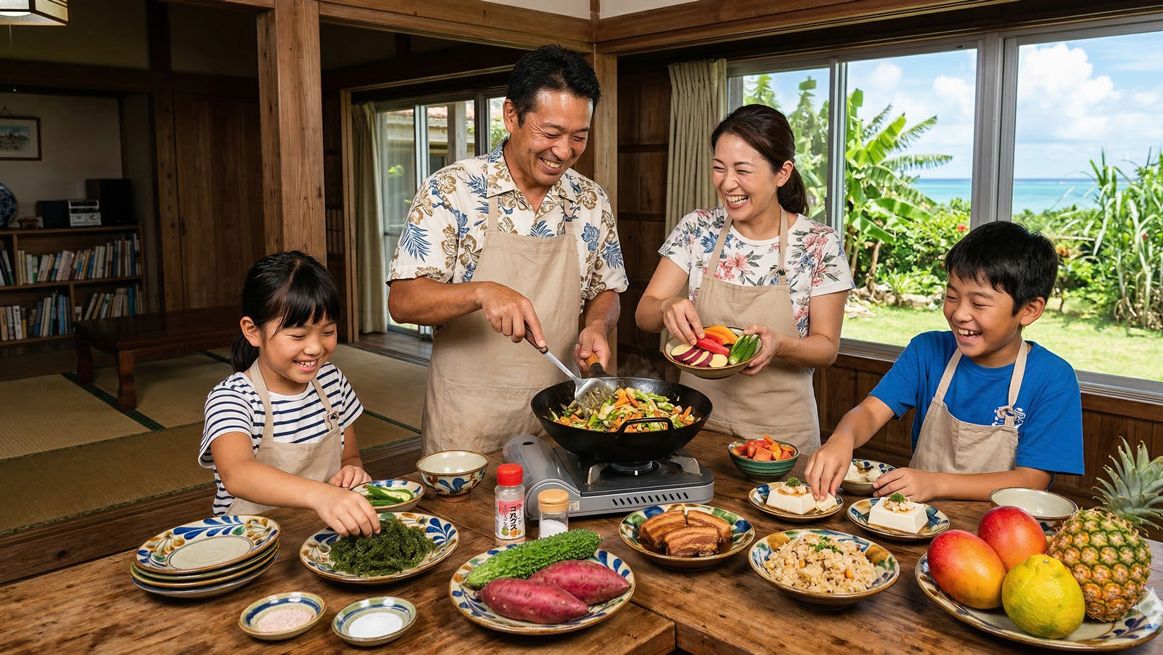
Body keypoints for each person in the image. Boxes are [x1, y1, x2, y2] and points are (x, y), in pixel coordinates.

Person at [387, 45, 628, 454]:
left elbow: (607, 289)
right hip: (469, 425)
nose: (564, 151)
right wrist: (482, 292)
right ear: (511, 116)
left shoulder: (591, 200)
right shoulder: (452, 189)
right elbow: (403, 301)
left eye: (579, 137)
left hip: (565, 419)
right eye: (550, 134)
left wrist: (597, 325)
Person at [805, 221, 1085, 502]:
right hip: (915, 521)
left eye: (978, 304)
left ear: (1029, 310)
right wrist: (843, 439)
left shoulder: (1053, 379)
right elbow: (869, 412)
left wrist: (936, 484)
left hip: (1005, 533)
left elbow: (1032, 480)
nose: (959, 313)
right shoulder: (927, 350)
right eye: (952, 296)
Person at [635, 104, 852, 452]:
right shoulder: (697, 228)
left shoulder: (819, 243)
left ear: (782, 173)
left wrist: (780, 344)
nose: (727, 183)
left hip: (782, 435)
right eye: (719, 168)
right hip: (696, 423)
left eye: (743, 170)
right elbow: (644, 314)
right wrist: (667, 307)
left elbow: (826, 348)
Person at [199, 251, 379, 537]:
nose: (315, 348)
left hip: (323, 537)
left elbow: (350, 458)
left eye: (328, 331)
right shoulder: (232, 398)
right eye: (298, 336)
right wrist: (321, 495)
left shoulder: (332, 381)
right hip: (247, 544)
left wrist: (352, 472)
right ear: (253, 331)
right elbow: (238, 474)